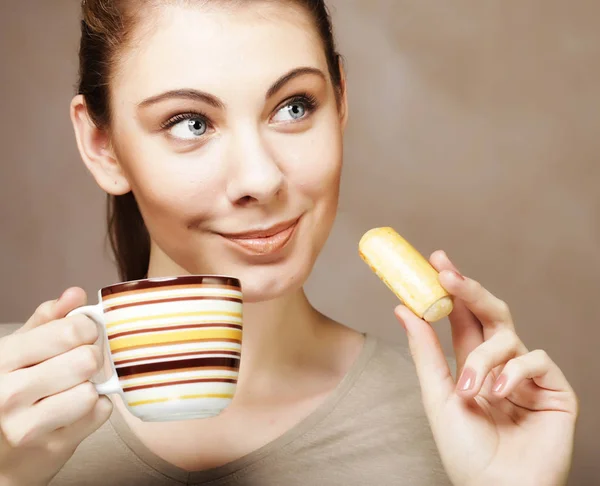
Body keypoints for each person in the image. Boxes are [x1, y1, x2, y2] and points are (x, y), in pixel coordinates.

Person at [0, 1, 579, 485]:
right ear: (103, 145)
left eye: (293, 107)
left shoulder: (459, 427)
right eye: (190, 122)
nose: (260, 178)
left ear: (341, 101)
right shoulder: (8, 411)